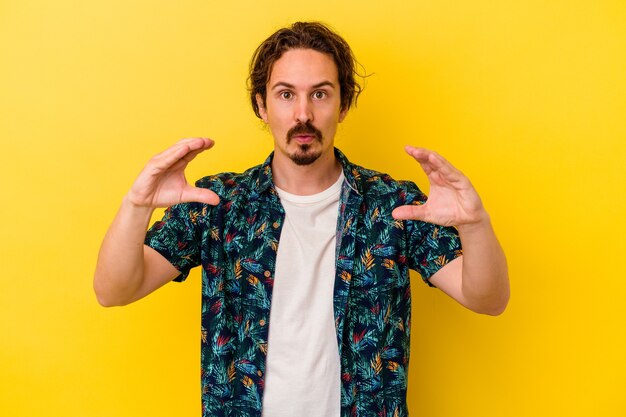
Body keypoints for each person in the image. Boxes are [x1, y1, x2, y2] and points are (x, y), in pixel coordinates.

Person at [94, 21, 509, 417]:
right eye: (286, 94)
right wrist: (137, 204)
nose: (303, 115)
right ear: (262, 104)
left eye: (321, 94)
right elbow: (115, 289)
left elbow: (487, 299)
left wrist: (475, 225)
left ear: (344, 104)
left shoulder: (394, 206)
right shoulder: (217, 203)